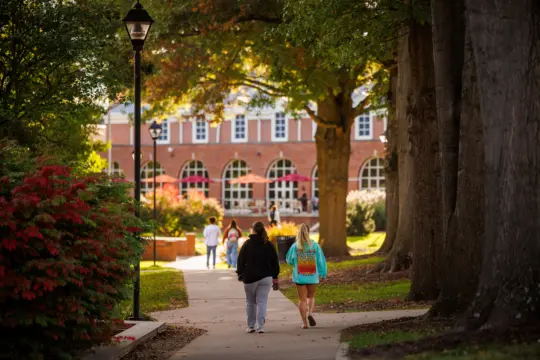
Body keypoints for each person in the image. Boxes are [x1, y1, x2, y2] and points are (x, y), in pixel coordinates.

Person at [236, 222, 280, 334]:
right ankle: (261, 327)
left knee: (250, 302)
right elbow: (275, 262)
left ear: (253, 231)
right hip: (266, 277)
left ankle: (251, 326)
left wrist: (240, 273)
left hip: (250, 277)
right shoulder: (269, 244)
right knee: (262, 302)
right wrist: (275, 275)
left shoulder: (247, 244)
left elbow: (241, 260)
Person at [286, 224, 327, 329]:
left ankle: (304, 323)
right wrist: (323, 273)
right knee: (311, 296)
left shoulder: (295, 246)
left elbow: (289, 260)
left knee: (302, 299)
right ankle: (310, 314)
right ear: (309, 232)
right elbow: (321, 261)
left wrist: (295, 262)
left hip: (300, 277)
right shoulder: (315, 246)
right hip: (313, 276)